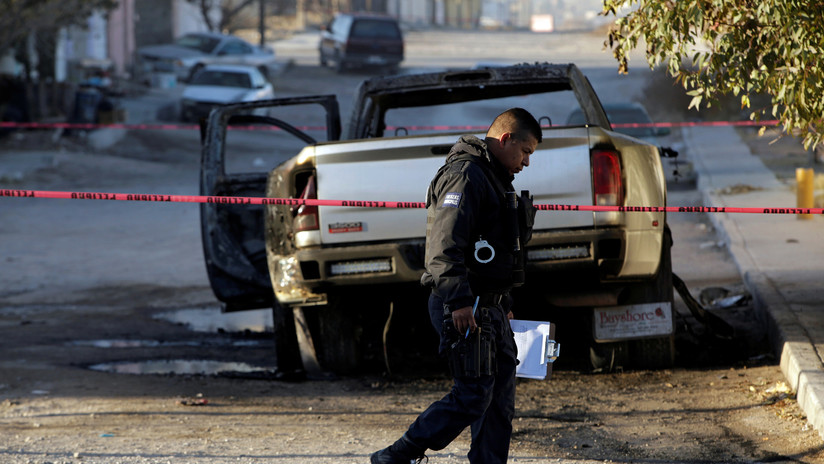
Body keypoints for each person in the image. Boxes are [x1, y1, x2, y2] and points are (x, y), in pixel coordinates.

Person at [370, 107, 542, 464]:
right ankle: (399, 455)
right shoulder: (465, 176)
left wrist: (502, 301)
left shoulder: (494, 178)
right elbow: (443, 248)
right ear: (506, 139)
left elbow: (494, 251)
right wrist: (461, 301)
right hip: (465, 305)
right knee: (473, 396)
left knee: (498, 404)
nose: (526, 162)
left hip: (489, 307)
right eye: (525, 151)